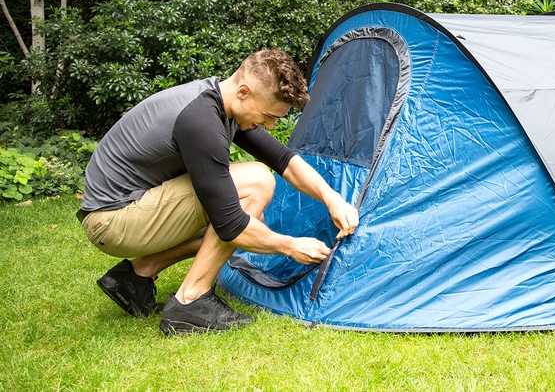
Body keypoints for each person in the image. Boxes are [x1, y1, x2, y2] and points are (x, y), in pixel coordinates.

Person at [77, 48, 358, 335]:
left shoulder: (220, 102)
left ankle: (137, 275)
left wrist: (332, 199)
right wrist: (291, 246)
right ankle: (191, 301)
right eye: (268, 116)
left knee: (252, 220)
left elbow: (283, 160)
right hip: (113, 220)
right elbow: (232, 226)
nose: (270, 125)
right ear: (244, 91)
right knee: (256, 185)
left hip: (126, 209)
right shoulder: (200, 120)